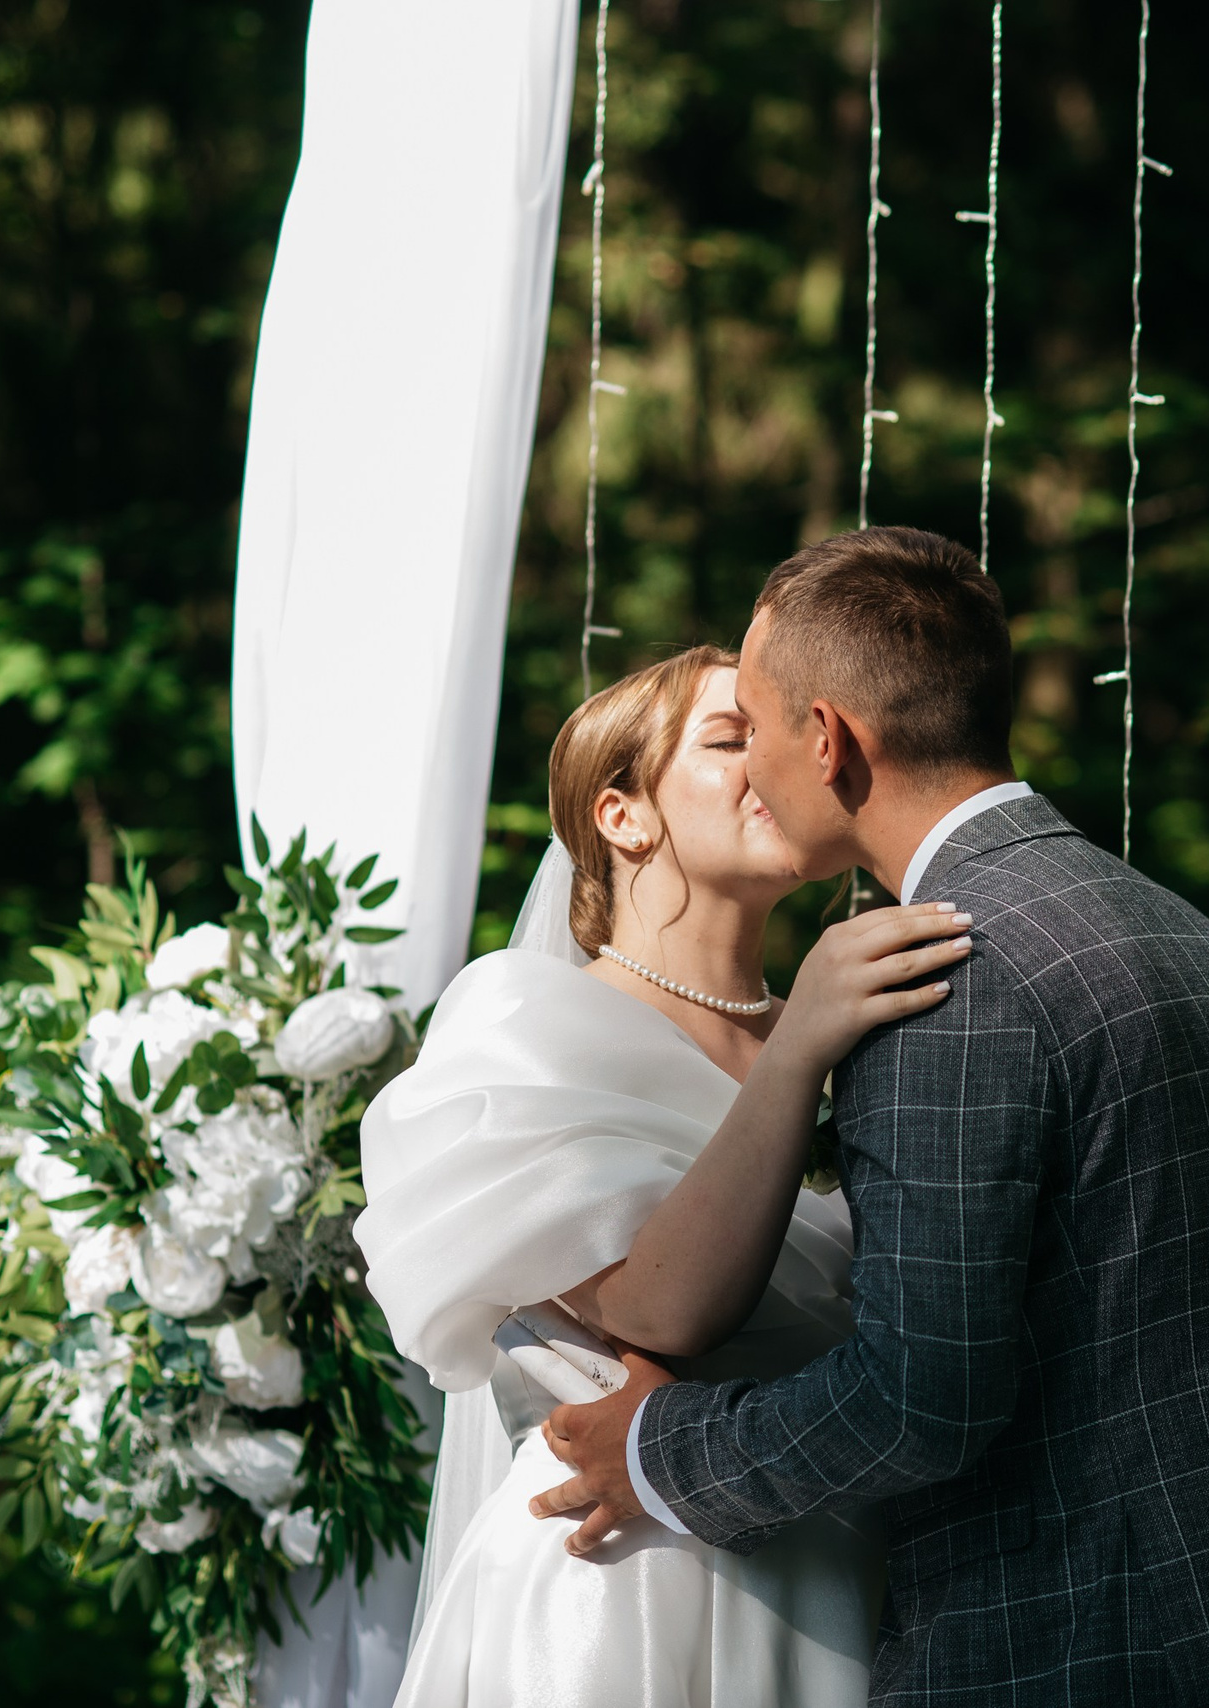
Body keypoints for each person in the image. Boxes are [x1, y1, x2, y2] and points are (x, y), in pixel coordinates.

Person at [530, 528, 1209, 1705]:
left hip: (1072, 1662)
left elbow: (919, 1402)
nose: (750, 766)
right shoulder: (1190, 939)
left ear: (827, 737)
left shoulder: (942, 978)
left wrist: (661, 1451)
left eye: (754, 720)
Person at [355, 642, 973, 1707]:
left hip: (847, 1576)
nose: (775, 763)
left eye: (783, 735)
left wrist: (813, 1028)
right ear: (621, 816)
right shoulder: (521, 1019)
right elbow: (662, 1307)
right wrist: (798, 1049)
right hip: (623, 1591)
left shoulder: (861, 1027)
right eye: (729, 739)